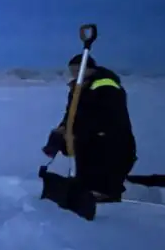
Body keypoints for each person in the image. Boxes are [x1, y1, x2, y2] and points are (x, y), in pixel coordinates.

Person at [42, 54, 137, 203]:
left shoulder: (106, 86)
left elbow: (106, 116)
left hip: (112, 140)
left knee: (99, 158)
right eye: (71, 71)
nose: (73, 74)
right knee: (68, 145)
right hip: (88, 137)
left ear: (88, 69)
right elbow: (71, 114)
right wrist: (63, 128)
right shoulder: (78, 89)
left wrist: (77, 132)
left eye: (76, 70)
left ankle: (105, 194)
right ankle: (82, 187)